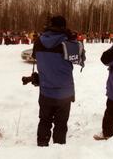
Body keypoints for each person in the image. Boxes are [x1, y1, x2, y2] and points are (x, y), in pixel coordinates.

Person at [32, 16, 85, 146]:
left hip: (45, 90)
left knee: (44, 121)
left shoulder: (39, 41)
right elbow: (82, 58)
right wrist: (74, 41)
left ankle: (42, 149)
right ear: (64, 26)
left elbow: (34, 56)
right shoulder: (67, 43)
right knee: (61, 124)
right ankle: (59, 151)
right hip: (64, 92)